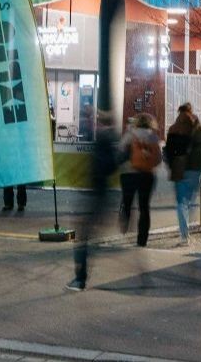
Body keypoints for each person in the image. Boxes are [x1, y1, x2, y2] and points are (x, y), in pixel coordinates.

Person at [69, 111, 120, 292]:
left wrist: (95, 173)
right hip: (100, 193)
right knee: (86, 237)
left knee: (83, 238)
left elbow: (106, 165)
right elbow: (113, 165)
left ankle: (80, 279)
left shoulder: (103, 139)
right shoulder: (108, 138)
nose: (91, 123)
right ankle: (80, 277)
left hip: (98, 195)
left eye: (93, 120)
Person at [119, 113, 162, 247]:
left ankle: (124, 221)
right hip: (147, 175)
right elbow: (159, 159)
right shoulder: (153, 137)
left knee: (127, 202)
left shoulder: (130, 134)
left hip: (128, 174)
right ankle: (142, 240)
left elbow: (120, 151)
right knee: (144, 208)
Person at [164, 103, 200, 245]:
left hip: (179, 168)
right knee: (190, 201)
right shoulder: (196, 126)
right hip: (195, 169)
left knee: (181, 203)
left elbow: (168, 151)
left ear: (179, 111)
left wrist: (171, 165)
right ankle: (187, 226)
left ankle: (185, 235)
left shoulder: (174, 128)